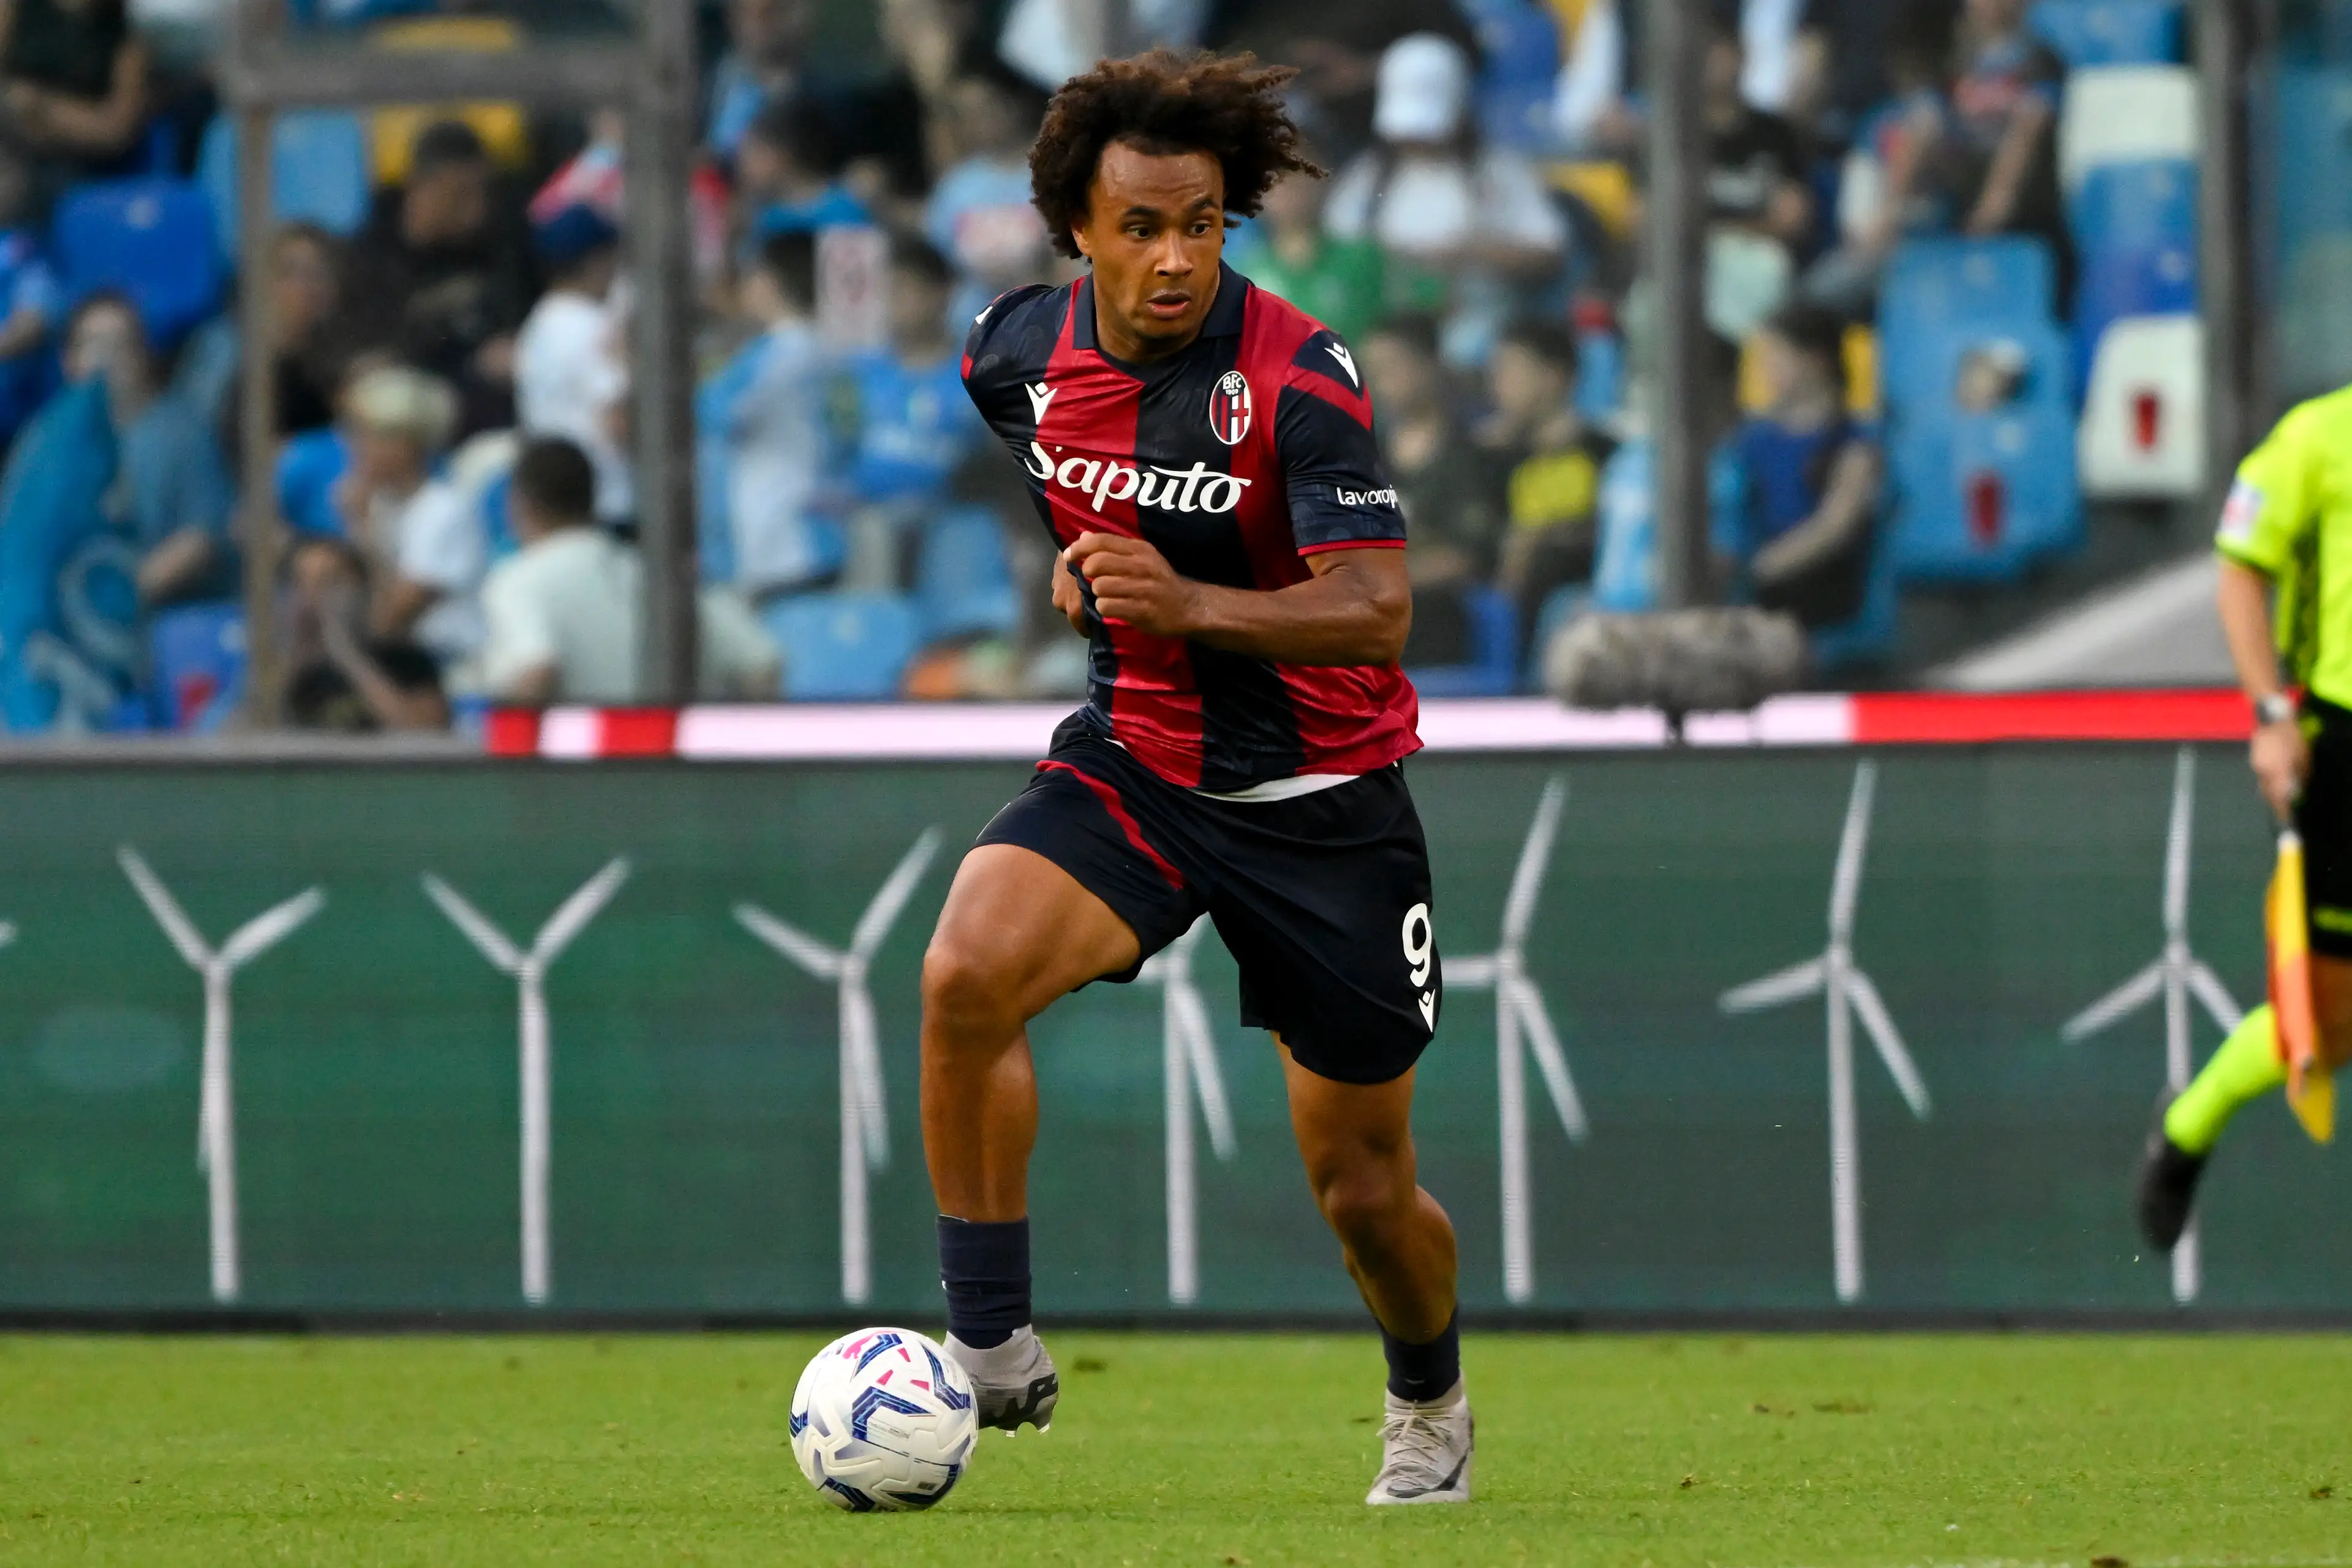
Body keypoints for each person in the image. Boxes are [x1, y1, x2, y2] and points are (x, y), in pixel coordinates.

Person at [929, 49, 1471, 1506]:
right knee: (963, 973)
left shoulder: (1300, 378)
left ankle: (1427, 1392)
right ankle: (985, 1338)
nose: (1176, 258)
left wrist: (1184, 605)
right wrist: (1084, 560)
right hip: (1142, 764)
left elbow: (1375, 609)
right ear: (1078, 231)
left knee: (1362, 1188)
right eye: (1144, 228)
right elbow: (1076, 475)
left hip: (1324, 802)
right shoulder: (1008, 356)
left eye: (1204, 225)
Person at [2138, 386, 2352, 1248]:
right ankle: (2192, 1119)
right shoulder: (2318, 437)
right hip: (2341, 736)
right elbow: (2239, 570)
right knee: (2329, 1023)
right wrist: (2271, 717)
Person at [480, 436, 779, 704]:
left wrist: (520, 758)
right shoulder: (656, 572)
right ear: (593, 499)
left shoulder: (519, 581)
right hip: (674, 758)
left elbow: (537, 669)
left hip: (584, 760)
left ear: (518, 504)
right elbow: (761, 663)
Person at [344, 119, 535, 434]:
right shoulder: (371, 257)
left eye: (483, 192)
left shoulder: (498, 247)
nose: (479, 208)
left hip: (488, 410)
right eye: (461, 194)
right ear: (422, 187)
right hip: (410, 417)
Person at [62, 292, 237, 611]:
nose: (107, 360)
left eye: (121, 346)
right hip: (81, 629)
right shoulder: (53, 449)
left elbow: (201, 538)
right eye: (95, 346)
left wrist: (121, 598)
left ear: (145, 355)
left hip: (170, 620)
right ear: (70, 363)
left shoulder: (181, 433)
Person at [1714, 301, 1878, 631]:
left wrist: (1756, 571)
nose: (1764, 369)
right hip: (1753, 592)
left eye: (1776, 357)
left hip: (1816, 597)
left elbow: (1836, 526)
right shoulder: (1750, 441)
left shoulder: (1852, 444)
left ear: (1816, 360)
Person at [697, 230, 837, 594]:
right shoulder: (820, 344)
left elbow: (712, 412)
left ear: (769, 283)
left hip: (783, 534)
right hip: (795, 526)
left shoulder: (784, 350)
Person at [1361, 312, 1502, 666]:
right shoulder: (1363, 454)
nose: (1383, 381)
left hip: (1436, 611)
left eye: (1394, 366)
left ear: (1430, 365)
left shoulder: (1469, 457)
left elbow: (1468, 558)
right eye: (1374, 370)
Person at [1477, 315, 1612, 635]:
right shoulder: (1496, 461)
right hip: (1510, 606)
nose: (1497, 386)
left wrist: (1544, 537)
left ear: (1554, 377)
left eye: (1510, 372)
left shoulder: (1602, 454)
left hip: (1575, 600)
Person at [514, 202, 631, 524]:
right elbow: (620, 421)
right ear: (596, 261)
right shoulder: (587, 325)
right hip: (610, 502)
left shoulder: (539, 324)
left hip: (562, 501)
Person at [1224, 160, 1386, 349]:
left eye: (1298, 183)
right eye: (1277, 185)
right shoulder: (1241, 271)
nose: (1290, 195)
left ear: (1320, 186)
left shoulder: (1361, 259)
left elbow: (1381, 330)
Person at [0, 0, 150, 178]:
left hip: (73, 162)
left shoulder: (128, 34)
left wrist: (42, 109)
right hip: (8, 129)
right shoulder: (15, 6)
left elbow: (115, 129)